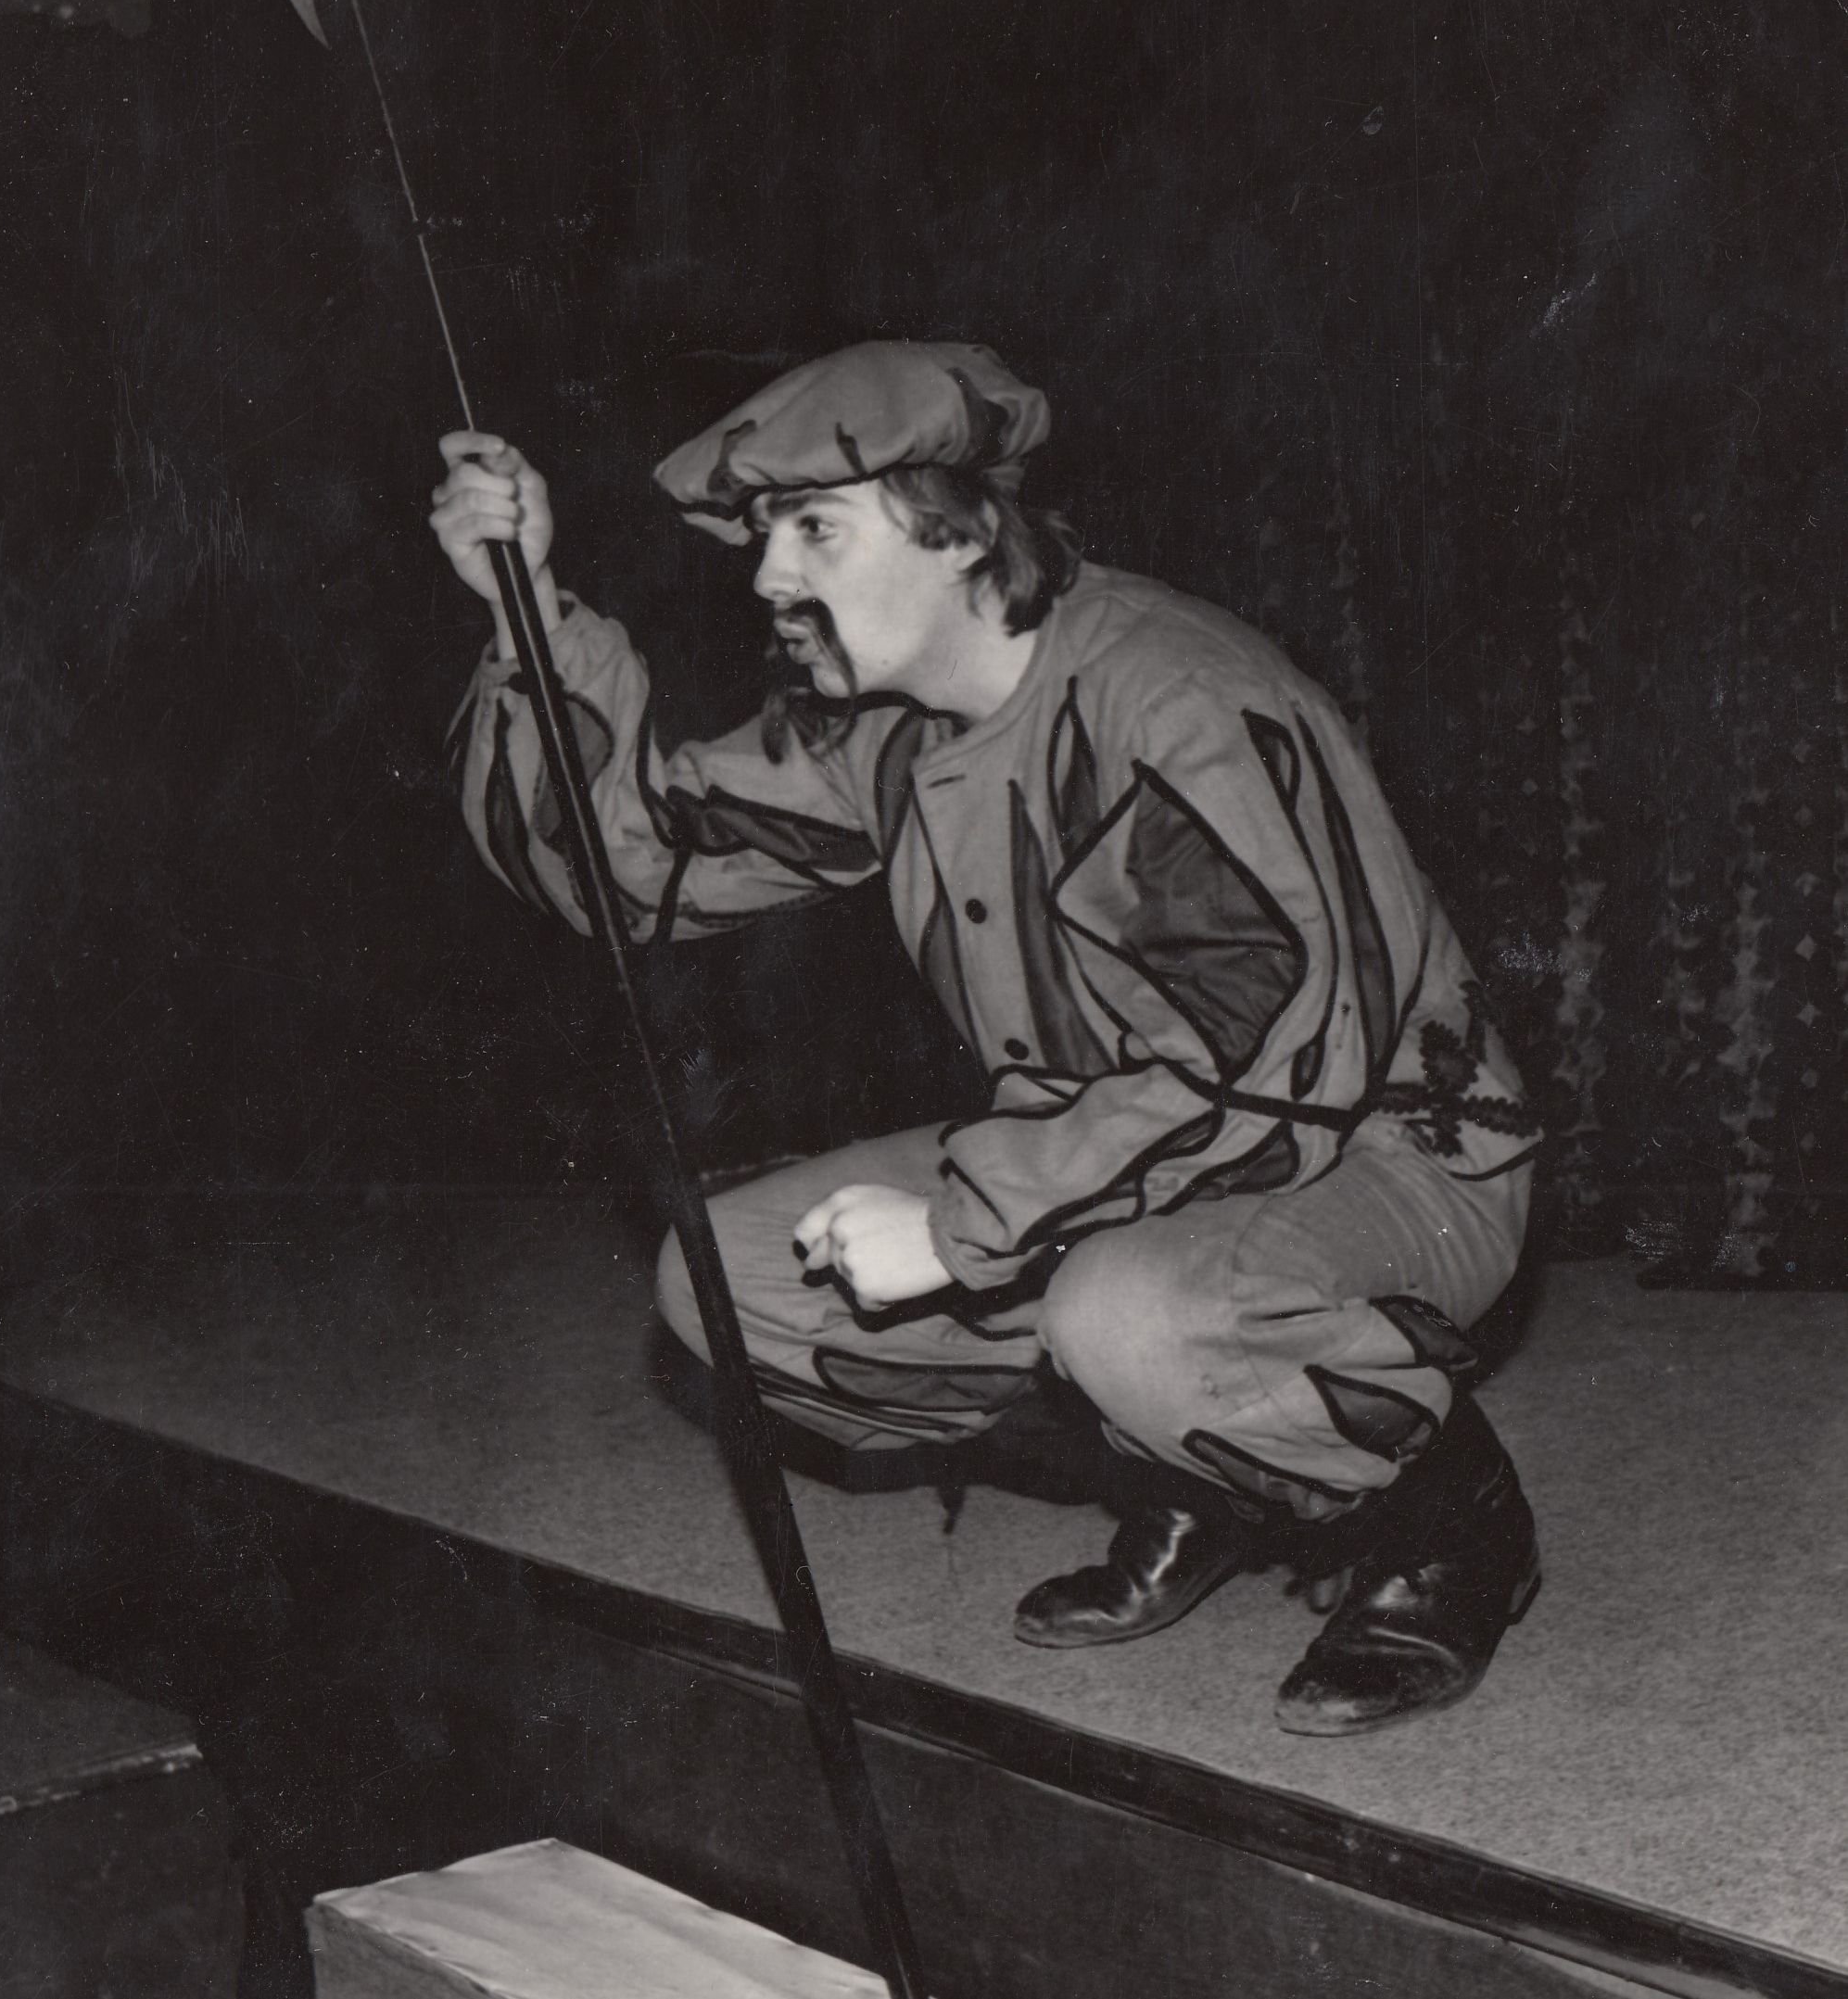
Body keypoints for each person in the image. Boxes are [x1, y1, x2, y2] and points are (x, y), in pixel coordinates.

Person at [429, 340, 1543, 1736]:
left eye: (813, 529)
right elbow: (630, 872)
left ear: (955, 532)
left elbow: (1274, 1068)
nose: (767, 577)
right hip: (1116, 1154)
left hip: (1376, 1150)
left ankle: (1448, 1516)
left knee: (1122, 1313)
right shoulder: (878, 730)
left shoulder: (1172, 698)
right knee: (730, 1283)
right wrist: (526, 608)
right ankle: (1196, 1468)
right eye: (763, 536)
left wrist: (964, 1231)